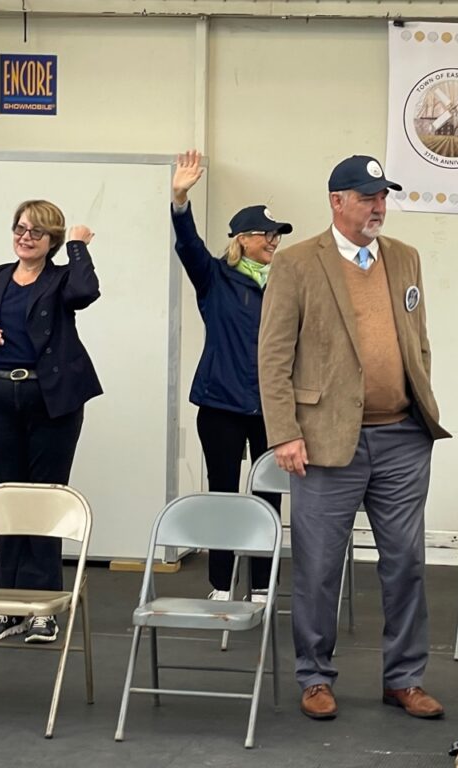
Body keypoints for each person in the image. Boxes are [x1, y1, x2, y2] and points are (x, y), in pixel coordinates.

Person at [258, 155, 450, 721]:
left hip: (402, 437)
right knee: (319, 566)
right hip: (323, 441)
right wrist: (285, 433)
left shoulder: (405, 258)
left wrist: (420, 396)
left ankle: (405, 678)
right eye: (367, 197)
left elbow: (417, 340)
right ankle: (314, 676)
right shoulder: (295, 264)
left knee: (406, 563)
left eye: (383, 196)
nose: (378, 207)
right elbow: (272, 358)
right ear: (337, 201)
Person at [0, 199, 102, 644]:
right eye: (20, 228)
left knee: (44, 497)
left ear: (52, 240)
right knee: (8, 496)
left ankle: (42, 606)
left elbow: (85, 293)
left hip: (50, 398)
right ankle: (9, 606)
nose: (25, 237)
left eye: (37, 232)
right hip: (0, 396)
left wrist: (78, 247)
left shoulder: (61, 278)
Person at [171, 150, 289, 602]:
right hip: (220, 405)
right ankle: (221, 585)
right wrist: (180, 199)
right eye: (268, 234)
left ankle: (262, 585)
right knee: (222, 493)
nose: (275, 241)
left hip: (270, 408)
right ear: (243, 237)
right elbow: (188, 246)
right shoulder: (214, 277)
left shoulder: (284, 283)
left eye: (278, 235)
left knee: (267, 498)